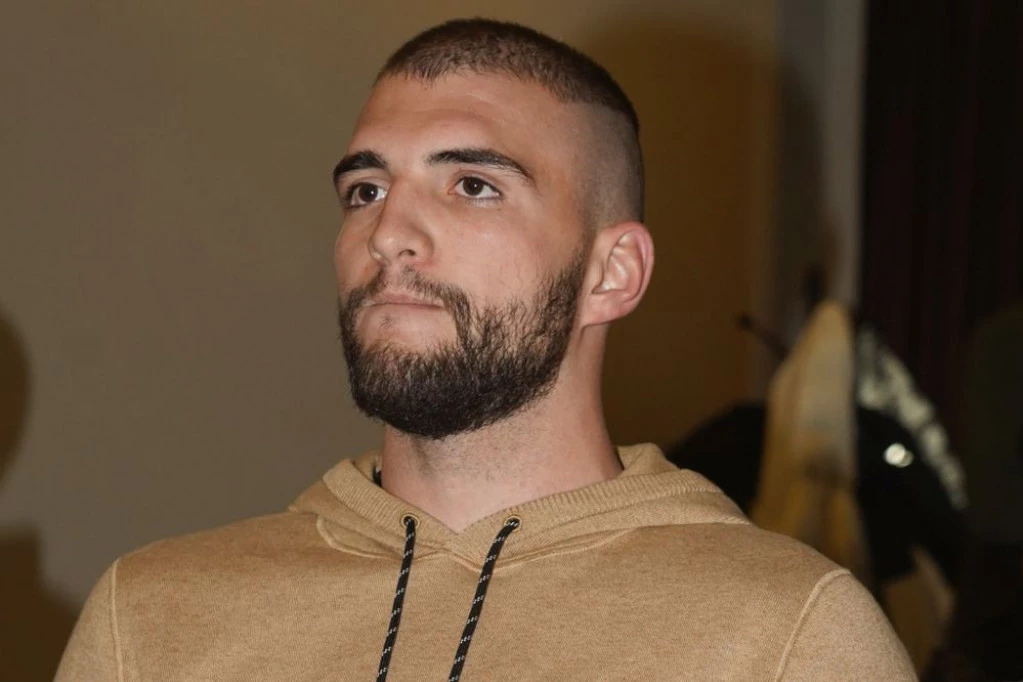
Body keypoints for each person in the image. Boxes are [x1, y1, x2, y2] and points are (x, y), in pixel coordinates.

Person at [55, 19, 915, 681]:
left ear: (611, 272)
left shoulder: (789, 634)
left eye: (471, 185)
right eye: (365, 189)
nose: (388, 233)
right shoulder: (151, 618)